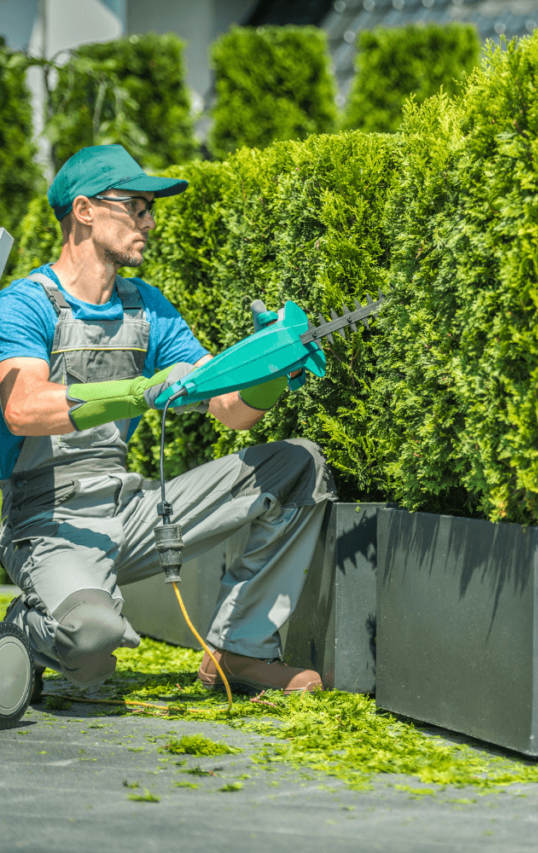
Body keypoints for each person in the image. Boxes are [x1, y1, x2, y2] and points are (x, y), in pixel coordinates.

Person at [0, 145, 334, 697]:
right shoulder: (26, 304)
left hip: (131, 511)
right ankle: (22, 628)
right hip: (50, 522)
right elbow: (22, 408)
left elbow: (231, 412)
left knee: (298, 465)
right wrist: (140, 391)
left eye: (150, 209)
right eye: (136, 206)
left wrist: (269, 370)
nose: (149, 221)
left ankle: (240, 652)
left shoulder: (148, 307)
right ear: (84, 211)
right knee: (91, 646)